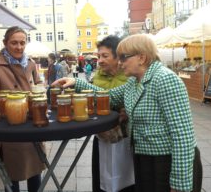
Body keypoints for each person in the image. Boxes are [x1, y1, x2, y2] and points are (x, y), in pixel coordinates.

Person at [52, 34, 202, 192]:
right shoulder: (134, 81)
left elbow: (183, 136)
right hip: (144, 158)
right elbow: (109, 96)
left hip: (166, 161)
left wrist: (179, 183)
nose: (120, 62)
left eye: (123, 57)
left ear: (142, 58)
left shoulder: (165, 79)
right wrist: (76, 83)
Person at [0, 26, 45, 192]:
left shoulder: (31, 63)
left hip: (32, 122)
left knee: (35, 171)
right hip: (11, 127)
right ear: (5, 43)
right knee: (12, 175)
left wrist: (40, 88)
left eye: (22, 43)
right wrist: (13, 99)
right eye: (14, 43)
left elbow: (38, 83)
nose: (19, 47)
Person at [91, 35, 134, 192]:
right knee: (102, 174)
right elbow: (98, 99)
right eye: (99, 56)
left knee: (127, 176)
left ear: (118, 57)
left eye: (105, 56)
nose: (100, 60)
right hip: (104, 133)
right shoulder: (98, 75)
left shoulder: (130, 75)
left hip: (126, 134)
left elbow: (115, 96)